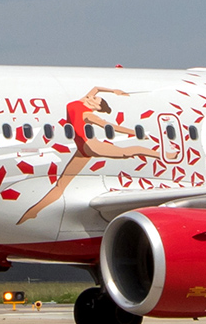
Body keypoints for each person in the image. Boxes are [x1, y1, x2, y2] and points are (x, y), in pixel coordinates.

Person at [19, 87, 159, 224]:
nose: (90, 97)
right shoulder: (79, 103)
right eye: (91, 97)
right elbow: (96, 88)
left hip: (91, 146)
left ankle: (166, 155)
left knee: (133, 150)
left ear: (96, 107)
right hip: (83, 149)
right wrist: (114, 91)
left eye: (94, 99)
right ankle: (33, 212)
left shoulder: (87, 114)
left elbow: (111, 127)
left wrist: (135, 133)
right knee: (60, 186)